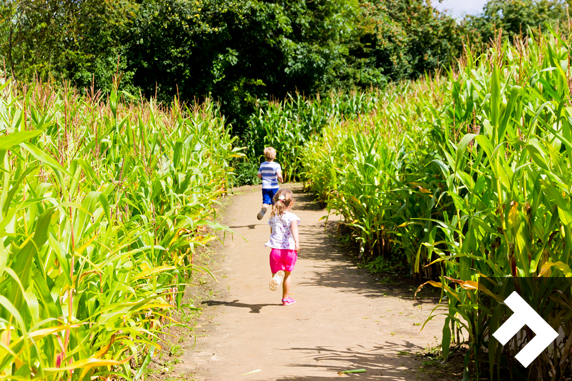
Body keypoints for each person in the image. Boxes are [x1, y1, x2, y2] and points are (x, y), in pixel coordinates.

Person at [265, 189, 300, 306]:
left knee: (277, 272)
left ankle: (276, 277)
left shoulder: (273, 216)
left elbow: (272, 232)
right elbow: (294, 229)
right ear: (291, 203)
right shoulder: (292, 217)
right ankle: (285, 299)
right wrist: (297, 243)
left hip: (275, 251)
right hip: (289, 250)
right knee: (287, 274)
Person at [256, 147, 283, 220]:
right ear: (274, 156)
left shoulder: (262, 165)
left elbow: (259, 175)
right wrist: (281, 179)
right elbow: (279, 175)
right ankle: (273, 216)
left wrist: (262, 176)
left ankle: (264, 208)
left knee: (265, 201)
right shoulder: (276, 165)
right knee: (274, 202)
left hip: (265, 187)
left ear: (265, 156)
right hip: (274, 187)